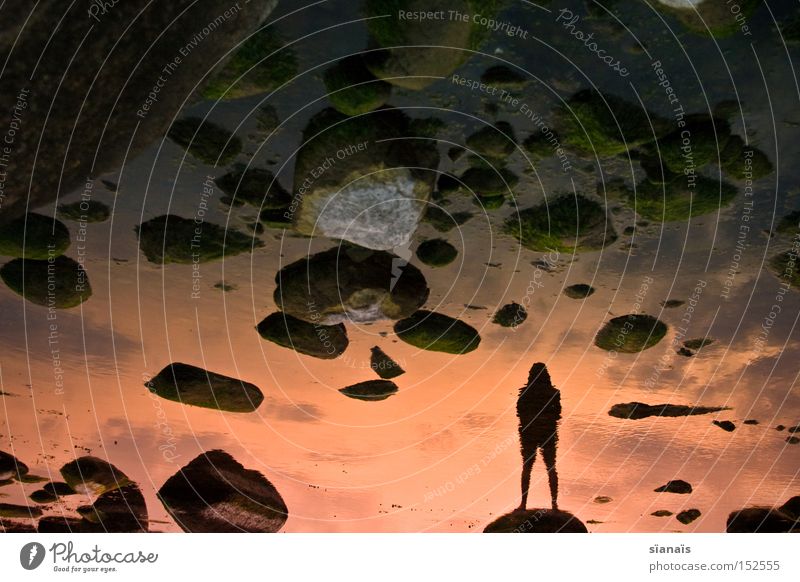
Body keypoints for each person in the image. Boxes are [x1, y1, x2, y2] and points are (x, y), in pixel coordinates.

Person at [516, 362, 561, 510]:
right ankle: (554, 504)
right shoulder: (554, 393)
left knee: (527, 467)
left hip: (528, 433)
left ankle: (523, 504)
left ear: (531, 376)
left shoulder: (524, 393)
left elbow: (520, 413)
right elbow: (557, 414)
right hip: (548, 433)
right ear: (547, 376)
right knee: (551, 467)